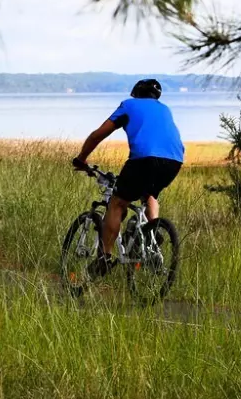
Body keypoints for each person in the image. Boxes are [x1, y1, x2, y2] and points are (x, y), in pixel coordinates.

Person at [72, 78, 184, 278]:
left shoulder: (129, 105)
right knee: (150, 194)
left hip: (144, 159)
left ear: (136, 93)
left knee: (117, 203)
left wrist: (81, 159)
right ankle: (152, 231)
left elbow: (98, 135)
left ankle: (104, 258)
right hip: (174, 161)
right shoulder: (165, 109)